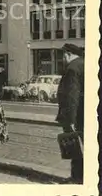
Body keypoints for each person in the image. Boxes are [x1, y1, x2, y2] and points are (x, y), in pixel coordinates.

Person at [56, 43, 84, 184]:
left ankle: (77, 177)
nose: (62, 58)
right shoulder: (84, 64)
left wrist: (71, 120)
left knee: (75, 147)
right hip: (85, 113)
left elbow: (72, 96)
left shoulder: (72, 68)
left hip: (76, 116)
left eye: (63, 55)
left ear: (68, 54)